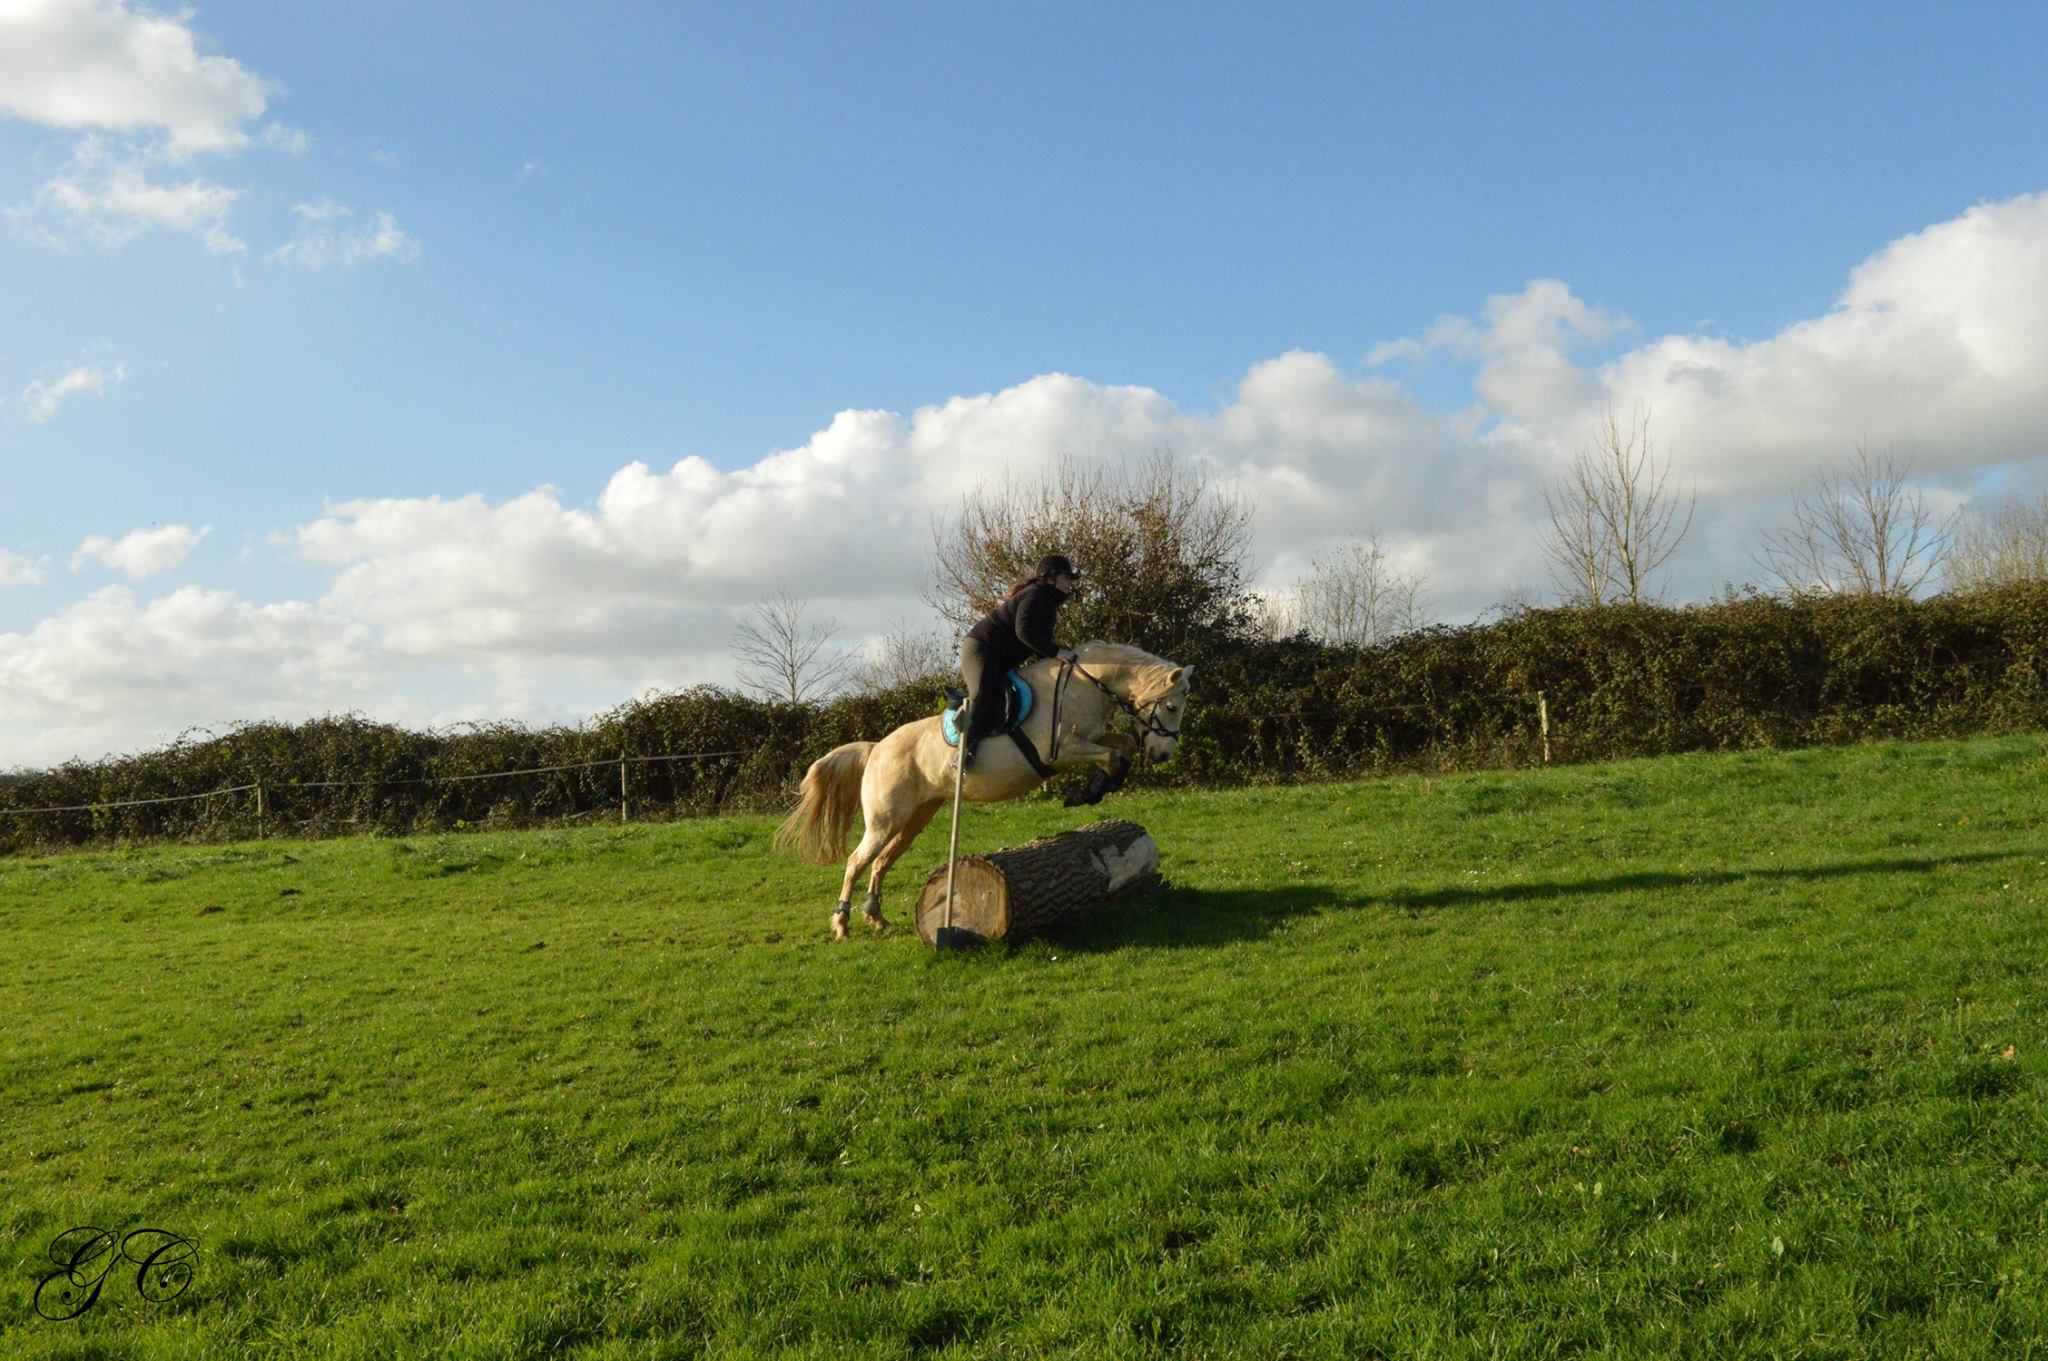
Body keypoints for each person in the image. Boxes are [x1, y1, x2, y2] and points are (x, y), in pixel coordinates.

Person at [957, 553, 1080, 769]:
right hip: (980, 649)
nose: (1070, 583)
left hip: (1000, 658)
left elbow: (1041, 647)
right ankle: (963, 752)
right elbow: (1023, 632)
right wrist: (1056, 652)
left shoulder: (1048, 605)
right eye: (1066, 577)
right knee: (983, 692)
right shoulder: (1034, 595)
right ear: (1051, 578)